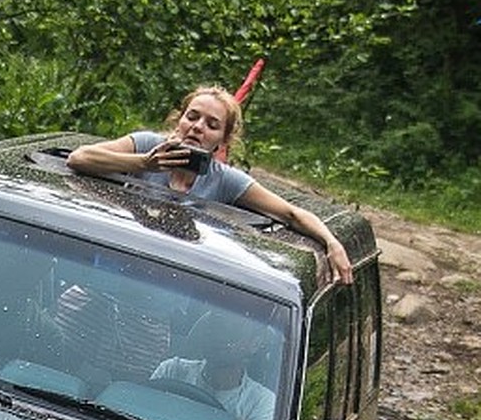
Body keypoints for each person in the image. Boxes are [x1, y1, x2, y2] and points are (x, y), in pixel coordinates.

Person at [66, 86, 354, 286]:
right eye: (192, 117)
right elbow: (79, 157)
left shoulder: (224, 179)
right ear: (178, 119)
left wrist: (331, 243)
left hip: (166, 284)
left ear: (223, 140)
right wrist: (143, 164)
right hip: (109, 269)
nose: (198, 127)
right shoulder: (146, 145)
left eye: (212, 124)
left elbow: (291, 214)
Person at [150, 310, 276, 420]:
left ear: (254, 344)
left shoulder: (262, 402)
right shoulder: (172, 370)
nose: (220, 336)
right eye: (215, 326)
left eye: (233, 331)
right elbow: (140, 416)